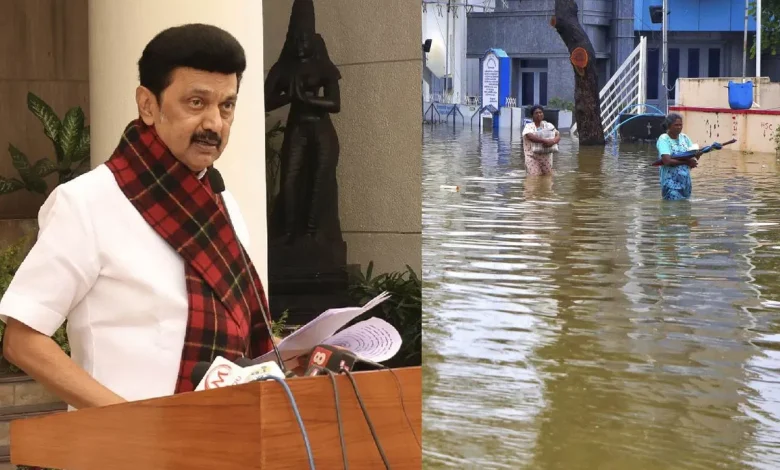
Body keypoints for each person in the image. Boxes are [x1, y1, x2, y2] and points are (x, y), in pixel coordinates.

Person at [0, 24, 276, 410]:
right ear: (148, 105)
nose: (214, 123)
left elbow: (236, 334)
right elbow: (22, 339)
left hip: (221, 438)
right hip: (121, 451)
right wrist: (129, 424)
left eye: (226, 105)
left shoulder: (222, 201)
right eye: (196, 103)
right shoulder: (86, 202)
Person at [657, 113, 702, 200]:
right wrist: (686, 162)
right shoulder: (664, 139)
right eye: (676, 125)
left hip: (685, 182)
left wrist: (696, 156)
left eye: (680, 125)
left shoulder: (685, 138)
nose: (679, 127)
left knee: (685, 210)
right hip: (671, 183)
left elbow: (692, 157)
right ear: (669, 126)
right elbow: (667, 161)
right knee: (672, 210)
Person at [521, 105, 561, 176]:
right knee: (534, 177)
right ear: (532, 115)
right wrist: (545, 141)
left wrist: (552, 141)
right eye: (536, 113)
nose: (539, 114)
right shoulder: (529, 126)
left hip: (546, 157)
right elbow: (530, 136)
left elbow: (557, 135)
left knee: (547, 178)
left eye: (540, 112)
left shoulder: (548, 125)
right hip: (532, 156)